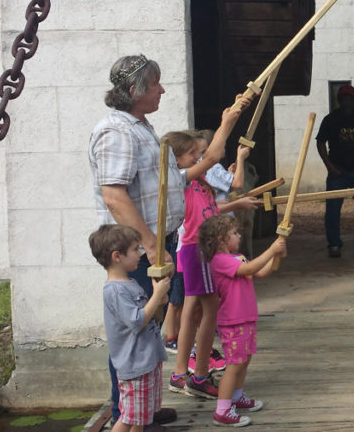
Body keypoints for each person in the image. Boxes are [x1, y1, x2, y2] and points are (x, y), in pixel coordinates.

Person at [89, 55, 182, 427]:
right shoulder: (117, 131)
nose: (162, 90)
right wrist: (153, 246)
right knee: (133, 335)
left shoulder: (139, 125)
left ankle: (145, 409)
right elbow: (114, 196)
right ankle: (124, 416)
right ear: (134, 90)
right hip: (137, 252)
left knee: (149, 333)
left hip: (150, 247)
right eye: (156, 83)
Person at [163, 130, 262, 400]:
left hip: (196, 248)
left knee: (195, 310)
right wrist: (228, 123)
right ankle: (199, 375)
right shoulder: (182, 179)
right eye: (193, 154)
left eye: (199, 153)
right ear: (176, 159)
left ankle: (182, 373)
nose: (199, 158)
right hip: (196, 248)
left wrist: (236, 203)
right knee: (208, 311)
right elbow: (214, 159)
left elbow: (210, 210)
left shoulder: (199, 182)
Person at [200, 215, 288, 427]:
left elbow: (260, 272)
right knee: (234, 365)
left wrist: (277, 256)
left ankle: (236, 397)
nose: (239, 236)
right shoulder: (220, 261)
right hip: (233, 322)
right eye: (234, 233)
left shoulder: (237, 258)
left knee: (244, 361)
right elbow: (249, 269)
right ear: (221, 239)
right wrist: (271, 250)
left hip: (246, 318)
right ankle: (222, 411)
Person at [90, 224, 171, 432]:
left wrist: (159, 300)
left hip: (145, 360)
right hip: (135, 365)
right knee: (128, 418)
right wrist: (156, 295)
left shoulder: (129, 283)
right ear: (117, 256)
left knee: (140, 417)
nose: (140, 254)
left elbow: (146, 314)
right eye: (135, 249)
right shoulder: (115, 290)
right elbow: (136, 322)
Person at [316, 84, 354, 257]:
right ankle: (334, 245)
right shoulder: (330, 119)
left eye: (350, 98)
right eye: (344, 99)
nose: (347, 102)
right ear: (339, 100)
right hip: (338, 173)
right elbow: (320, 143)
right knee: (333, 211)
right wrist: (329, 166)